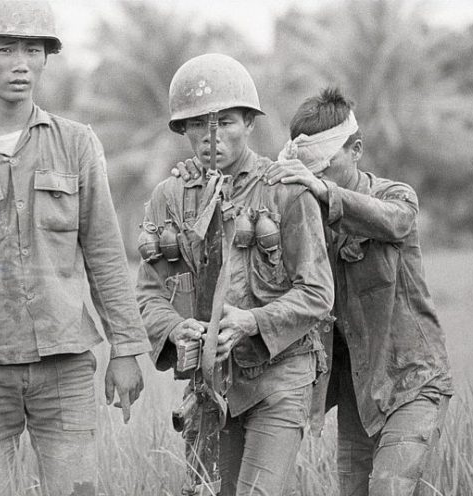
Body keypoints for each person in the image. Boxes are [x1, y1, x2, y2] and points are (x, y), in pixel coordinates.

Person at [0, 1, 151, 495]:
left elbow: (106, 254)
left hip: (65, 364)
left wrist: (126, 349)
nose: (22, 63)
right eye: (5, 49)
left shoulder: (77, 144)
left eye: (34, 49)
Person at [135, 53, 334, 496]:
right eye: (198, 124)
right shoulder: (168, 198)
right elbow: (148, 296)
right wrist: (175, 329)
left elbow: (318, 293)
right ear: (183, 130)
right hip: (209, 385)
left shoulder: (283, 190)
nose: (212, 137)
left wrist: (251, 322)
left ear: (248, 123)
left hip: (279, 375)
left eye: (225, 121)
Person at [262, 87, 454, 495]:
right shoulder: (305, 216)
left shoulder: (395, 197)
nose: (315, 180)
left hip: (411, 380)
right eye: (309, 172)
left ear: (357, 150)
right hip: (357, 392)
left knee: (388, 487)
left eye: (324, 169)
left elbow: (396, 222)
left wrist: (324, 193)